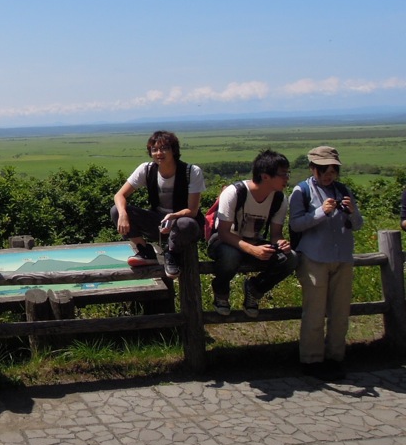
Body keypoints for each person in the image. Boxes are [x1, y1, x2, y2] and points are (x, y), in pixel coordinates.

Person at [290, 146, 364, 380]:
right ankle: (311, 361)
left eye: (333, 170)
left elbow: (358, 224)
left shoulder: (343, 190)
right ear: (313, 168)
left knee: (340, 312)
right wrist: (322, 212)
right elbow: (296, 224)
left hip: (342, 257)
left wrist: (351, 212)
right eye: (324, 169)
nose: (329, 175)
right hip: (314, 258)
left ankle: (335, 358)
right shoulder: (301, 191)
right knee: (314, 313)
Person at [208, 149, 297, 318]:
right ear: (265, 176)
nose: (287, 178)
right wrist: (252, 250)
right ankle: (221, 291)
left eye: (287, 173)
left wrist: (281, 244)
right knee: (231, 255)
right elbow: (224, 232)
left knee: (291, 258)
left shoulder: (279, 199)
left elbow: (276, 234)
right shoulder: (234, 192)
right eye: (283, 174)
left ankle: (255, 289)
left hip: (254, 242)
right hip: (223, 242)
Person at [111, 130, 205, 279]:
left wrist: (174, 216)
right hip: (159, 223)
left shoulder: (192, 172)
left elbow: (193, 211)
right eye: (154, 150)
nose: (159, 153)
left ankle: (171, 254)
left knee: (185, 223)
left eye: (164, 148)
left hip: (183, 224)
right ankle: (144, 250)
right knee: (116, 210)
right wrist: (123, 215)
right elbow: (119, 195)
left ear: (174, 150)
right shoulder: (146, 169)